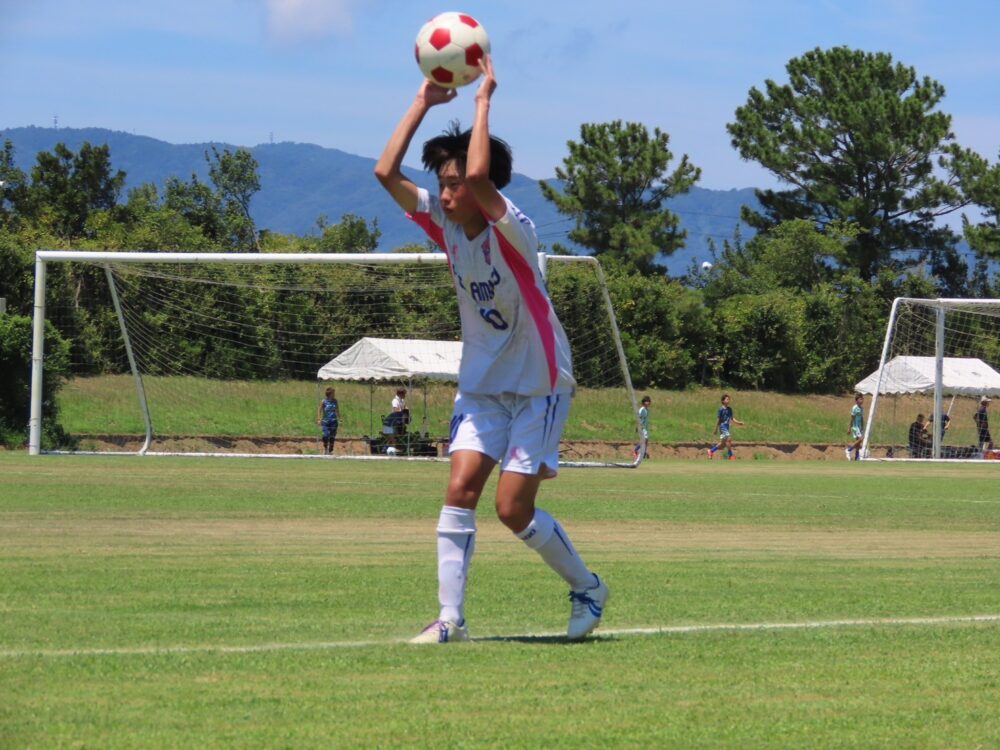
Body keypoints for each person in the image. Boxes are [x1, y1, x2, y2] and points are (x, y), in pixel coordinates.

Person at [374, 55, 608, 644]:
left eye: (454, 184)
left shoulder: (514, 230)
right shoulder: (446, 226)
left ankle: (588, 588)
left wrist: (482, 99)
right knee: (459, 492)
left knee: (511, 510)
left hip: (538, 382)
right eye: (442, 184)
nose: (446, 194)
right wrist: (423, 101)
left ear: (485, 190)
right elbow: (385, 172)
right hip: (482, 384)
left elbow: (480, 177)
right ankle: (449, 619)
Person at [708, 393, 745, 460]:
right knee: (729, 438)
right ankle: (730, 455)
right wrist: (716, 429)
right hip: (722, 427)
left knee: (723, 444)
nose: (728, 400)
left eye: (729, 399)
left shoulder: (730, 409)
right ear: (723, 401)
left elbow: (732, 418)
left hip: (727, 427)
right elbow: (718, 419)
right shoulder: (721, 409)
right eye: (727, 399)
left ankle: (711, 451)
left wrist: (738, 423)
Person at [316, 387, 340, 455]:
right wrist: (318, 419)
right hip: (325, 421)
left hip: (334, 421)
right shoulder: (324, 401)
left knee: (332, 436)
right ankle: (325, 449)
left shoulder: (335, 401)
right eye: (333, 393)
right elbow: (319, 410)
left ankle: (330, 451)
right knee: (325, 435)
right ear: (330, 394)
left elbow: (337, 410)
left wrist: (340, 419)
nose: (334, 394)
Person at [846, 393, 864, 461]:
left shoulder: (862, 408)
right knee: (861, 439)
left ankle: (856, 458)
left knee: (858, 443)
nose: (862, 400)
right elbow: (852, 418)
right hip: (855, 427)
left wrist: (862, 426)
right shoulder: (854, 408)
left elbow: (861, 418)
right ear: (856, 401)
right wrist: (849, 428)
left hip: (859, 427)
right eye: (860, 399)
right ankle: (849, 450)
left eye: (862, 399)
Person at [633, 395, 651, 461]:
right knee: (644, 439)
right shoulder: (642, 409)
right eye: (646, 401)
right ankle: (636, 450)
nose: (648, 402)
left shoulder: (647, 410)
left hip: (645, 428)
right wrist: (637, 426)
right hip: (642, 427)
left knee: (646, 440)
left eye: (648, 401)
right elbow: (639, 418)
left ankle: (643, 453)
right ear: (643, 402)